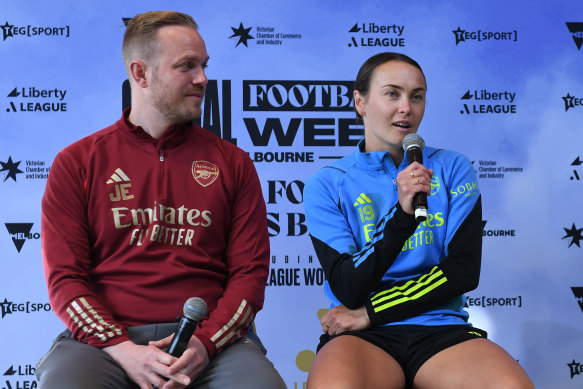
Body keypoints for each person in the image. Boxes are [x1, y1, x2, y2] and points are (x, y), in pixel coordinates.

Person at [35, 11, 285, 389]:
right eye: (187, 66)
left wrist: (206, 343)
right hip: (104, 344)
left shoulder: (233, 163)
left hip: (211, 344)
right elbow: (66, 281)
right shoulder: (77, 162)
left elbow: (249, 277)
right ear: (140, 73)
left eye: (203, 66)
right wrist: (122, 348)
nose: (202, 79)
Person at [303, 52, 534, 389]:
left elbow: (463, 271)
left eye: (417, 96)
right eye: (392, 93)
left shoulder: (453, 168)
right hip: (364, 337)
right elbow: (348, 286)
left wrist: (372, 311)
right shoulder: (327, 183)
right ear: (360, 101)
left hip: (439, 328)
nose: (406, 108)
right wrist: (402, 216)